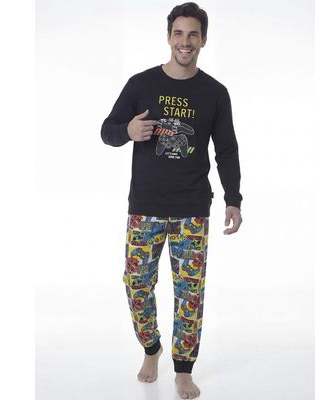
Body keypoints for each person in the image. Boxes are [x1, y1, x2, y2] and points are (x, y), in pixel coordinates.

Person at [100, 2, 243, 398]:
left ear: (204, 40)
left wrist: (233, 198)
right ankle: (152, 348)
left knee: (189, 293)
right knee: (137, 285)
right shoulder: (140, 84)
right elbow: (107, 131)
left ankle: (183, 368)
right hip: (145, 207)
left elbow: (226, 150)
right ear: (168, 37)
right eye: (178, 33)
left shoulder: (215, 93)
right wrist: (128, 131)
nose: (185, 41)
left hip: (191, 209)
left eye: (193, 34)